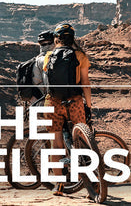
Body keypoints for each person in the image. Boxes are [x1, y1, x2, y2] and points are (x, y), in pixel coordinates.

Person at [42, 23, 91, 196]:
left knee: (56, 144)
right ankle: (90, 181)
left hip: (53, 102)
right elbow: (85, 83)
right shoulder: (80, 56)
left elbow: (47, 79)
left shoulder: (49, 56)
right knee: (83, 140)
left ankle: (59, 185)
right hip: (75, 102)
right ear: (72, 39)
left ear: (56, 39)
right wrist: (89, 104)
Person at [31, 30, 54, 101]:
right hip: (44, 101)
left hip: (35, 100)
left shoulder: (36, 59)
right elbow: (47, 84)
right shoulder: (46, 60)